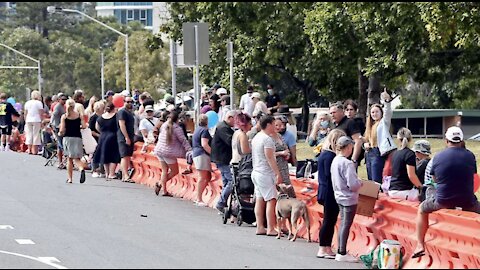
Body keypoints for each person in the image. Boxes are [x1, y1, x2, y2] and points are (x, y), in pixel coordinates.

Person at [413, 126, 480, 259]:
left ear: (446, 140)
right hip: (467, 201)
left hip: (443, 201)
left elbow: (434, 180)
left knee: (421, 209)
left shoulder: (438, 157)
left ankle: (420, 244)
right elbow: (473, 176)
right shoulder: (470, 156)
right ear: (461, 140)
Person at [330, 136, 362, 263]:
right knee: (345, 224)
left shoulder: (335, 161)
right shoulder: (347, 163)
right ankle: (341, 251)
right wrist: (360, 183)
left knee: (343, 223)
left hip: (338, 195)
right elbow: (353, 185)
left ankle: (340, 250)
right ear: (348, 147)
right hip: (349, 197)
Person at [316, 129, 346, 259]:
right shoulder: (330, 156)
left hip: (324, 189)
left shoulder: (323, 154)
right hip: (329, 191)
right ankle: (323, 247)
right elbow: (330, 174)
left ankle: (326, 246)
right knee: (329, 220)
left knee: (329, 220)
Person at [251, 114, 282, 236]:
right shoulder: (267, 139)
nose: (275, 127)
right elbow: (270, 158)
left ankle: (260, 226)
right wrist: (277, 173)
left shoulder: (257, 137)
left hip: (256, 171)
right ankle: (271, 227)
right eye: (274, 124)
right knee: (271, 199)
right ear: (268, 125)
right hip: (265, 173)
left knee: (260, 199)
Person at [154, 111, 192, 197]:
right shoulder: (177, 128)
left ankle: (164, 190)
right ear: (177, 119)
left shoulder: (164, 125)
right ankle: (160, 184)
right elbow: (183, 140)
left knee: (164, 170)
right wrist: (189, 150)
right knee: (175, 171)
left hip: (159, 150)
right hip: (169, 152)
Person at [363, 90, 397, 183]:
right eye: (372, 112)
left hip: (378, 153)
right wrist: (365, 144)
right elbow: (366, 139)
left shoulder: (383, 123)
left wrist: (387, 101)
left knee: (376, 179)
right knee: (370, 179)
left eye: (377, 112)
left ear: (381, 112)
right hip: (369, 153)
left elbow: (388, 112)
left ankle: (378, 196)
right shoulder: (370, 125)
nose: (374, 114)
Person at [211, 110, 236, 213]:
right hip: (223, 158)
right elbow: (230, 141)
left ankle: (223, 203)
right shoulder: (223, 128)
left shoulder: (223, 127)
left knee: (226, 181)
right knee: (231, 181)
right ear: (230, 118)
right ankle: (221, 203)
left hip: (221, 158)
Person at [388, 128, 423, 201]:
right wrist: (421, 188)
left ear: (398, 139)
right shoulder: (410, 154)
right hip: (403, 191)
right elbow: (411, 176)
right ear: (410, 139)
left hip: (392, 190)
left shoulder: (394, 153)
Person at [58, 99, 88, 184]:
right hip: (77, 138)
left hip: (67, 138)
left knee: (69, 159)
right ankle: (81, 168)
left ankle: (70, 178)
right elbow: (84, 126)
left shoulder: (65, 116)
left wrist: (60, 133)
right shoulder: (79, 115)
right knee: (77, 158)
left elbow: (62, 129)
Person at [329, 102, 363, 167]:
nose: (332, 115)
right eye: (330, 113)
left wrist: (353, 159)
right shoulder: (335, 125)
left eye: (334, 112)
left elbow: (358, 141)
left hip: (348, 160)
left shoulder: (350, 122)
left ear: (342, 112)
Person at [94, 102, 121, 180]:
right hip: (113, 136)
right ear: (113, 108)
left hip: (102, 137)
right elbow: (119, 125)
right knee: (114, 155)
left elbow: (97, 127)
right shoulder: (115, 116)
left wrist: (102, 132)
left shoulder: (100, 117)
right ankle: (112, 173)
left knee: (105, 155)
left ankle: (107, 173)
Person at [192, 114, 212, 207]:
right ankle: (199, 198)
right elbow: (204, 144)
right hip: (202, 154)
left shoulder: (197, 129)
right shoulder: (205, 131)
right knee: (202, 177)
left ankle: (198, 197)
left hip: (196, 153)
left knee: (206, 176)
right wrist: (212, 153)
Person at [272, 116, 295, 197]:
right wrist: (281, 153)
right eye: (277, 125)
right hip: (275, 166)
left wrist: (287, 155)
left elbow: (286, 149)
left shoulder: (280, 136)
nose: (280, 127)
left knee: (288, 188)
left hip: (284, 166)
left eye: (281, 125)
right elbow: (268, 154)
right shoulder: (268, 138)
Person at [117, 96, 136, 183]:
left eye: (131, 102)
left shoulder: (130, 113)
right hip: (124, 137)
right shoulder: (122, 112)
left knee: (128, 156)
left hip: (130, 136)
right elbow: (122, 124)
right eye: (127, 102)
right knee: (124, 156)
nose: (129, 103)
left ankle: (125, 174)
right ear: (124, 102)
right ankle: (125, 175)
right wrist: (126, 137)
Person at [344, 99, 366, 165]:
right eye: (347, 110)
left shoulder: (358, 122)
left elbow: (359, 139)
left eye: (351, 110)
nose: (349, 112)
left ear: (355, 111)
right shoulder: (344, 123)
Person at [24, 90, 44, 155]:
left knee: (29, 134)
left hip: (28, 119)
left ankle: (29, 149)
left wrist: (25, 120)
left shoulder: (27, 103)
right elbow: (41, 113)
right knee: (36, 135)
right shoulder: (39, 103)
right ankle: (34, 150)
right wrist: (42, 121)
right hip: (37, 120)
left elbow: (25, 113)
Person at [51, 94, 67, 169]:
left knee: (60, 145)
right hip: (57, 127)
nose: (64, 101)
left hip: (61, 126)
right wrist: (51, 124)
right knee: (61, 144)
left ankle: (61, 162)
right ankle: (62, 161)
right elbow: (54, 115)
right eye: (62, 99)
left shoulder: (63, 106)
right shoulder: (58, 107)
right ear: (59, 99)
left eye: (65, 99)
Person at [90, 101, 105, 178]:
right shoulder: (93, 117)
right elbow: (91, 130)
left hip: (102, 137)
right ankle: (95, 169)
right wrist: (99, 135)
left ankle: (102, 169)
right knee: (96, 153)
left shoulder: (103, 116)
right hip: (95, 137)